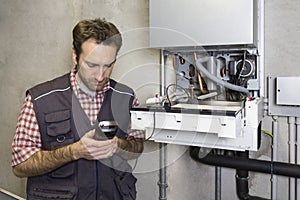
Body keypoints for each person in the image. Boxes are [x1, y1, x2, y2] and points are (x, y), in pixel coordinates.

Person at [11, 18, 144, 200]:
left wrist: (118, 146)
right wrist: (74, 151)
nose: (100, 75)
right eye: (91, 65)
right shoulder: (40, 100)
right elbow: (20, 165)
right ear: (75, 55)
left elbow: (137, 147)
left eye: (108, 66)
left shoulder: (127, 98)